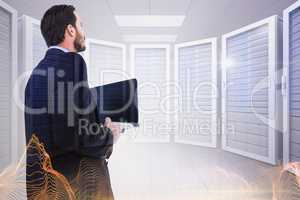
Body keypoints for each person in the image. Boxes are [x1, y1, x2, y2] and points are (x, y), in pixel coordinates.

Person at [24, 4, 120, 200]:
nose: (84, 32)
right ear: (70, 29)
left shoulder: (34, 77)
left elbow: (58, 129)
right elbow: (79, 136)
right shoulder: (73, 62)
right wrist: (109, 135)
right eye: (81, 26)